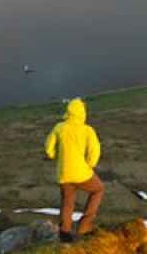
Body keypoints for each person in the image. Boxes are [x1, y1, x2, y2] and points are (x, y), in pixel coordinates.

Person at [44, 97, 104, 242]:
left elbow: (48, 149)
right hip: (82, 174)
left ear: (68, 112)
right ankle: (84, 226)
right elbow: (95, 150)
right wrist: (90, 164)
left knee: (67, 201)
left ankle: (65, 232)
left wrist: (54, 155)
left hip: (64, 174)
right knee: (98, 189)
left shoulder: (59, 127)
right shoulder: (87, 130)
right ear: (82, 113)